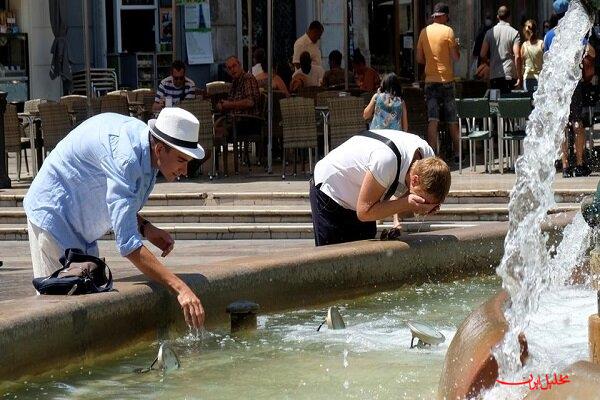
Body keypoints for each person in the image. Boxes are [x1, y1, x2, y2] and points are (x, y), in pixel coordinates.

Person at [24, 108, 206, 329]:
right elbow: (128, 245)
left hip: (81, 226)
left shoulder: (147, 150)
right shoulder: (126, 157)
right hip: (53, 215)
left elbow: (121, 202)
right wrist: (181, 288)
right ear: (160, 149)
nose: (185, 170)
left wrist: (146, 228)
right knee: (56, 319)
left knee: (84, 312)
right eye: (181, 160)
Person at [310, 129, 450, 246]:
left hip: (364, 198)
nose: (422, 203)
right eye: (422, 200)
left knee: (365, 262)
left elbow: (399, 209)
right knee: (333, 260)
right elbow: (364, 212)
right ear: (414, 180)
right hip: (331, 190)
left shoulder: (428, 160)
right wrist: (406, 203)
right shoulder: (386, 161)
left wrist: (422, 208)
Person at [416, 2, 461, 162]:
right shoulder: (448, 31)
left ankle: (431, 156)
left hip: (430, 81)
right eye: (447, 16)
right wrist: (457, 47)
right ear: (443, 16)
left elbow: (419, 59)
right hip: (447, 81)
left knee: (432, 120)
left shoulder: (424, 32)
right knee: (451, 119)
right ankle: (457, 154)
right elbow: (456, 57)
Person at [214, 56, 261, 175]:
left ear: (240, 65)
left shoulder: (247, 79)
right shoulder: (235, 82)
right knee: (213, 130)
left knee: (218, 131)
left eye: (234, 66)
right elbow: (230, 102)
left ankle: (220, 169)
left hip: (248, 122)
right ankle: (215, 168)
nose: (232, 70)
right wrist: (222, 105)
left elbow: (250, 102)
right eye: (229, 68)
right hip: (235, 121)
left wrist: (229, 105)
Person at [480, 6, 522, 94]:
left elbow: (482, 54)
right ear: (509, 17)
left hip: (494, 75)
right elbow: (517, 56)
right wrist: (519, 76)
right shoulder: (514, 33)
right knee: (509, 105)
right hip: (509, 74)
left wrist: (489, 63)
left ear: (497, 17)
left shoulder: (489, 33)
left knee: (496, 105)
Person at [521, 19, 543, 95]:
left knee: (527, 103)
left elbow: (522, 63)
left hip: (527, 78)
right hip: (539, 78)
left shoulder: (524, 45)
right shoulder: (541, 44)